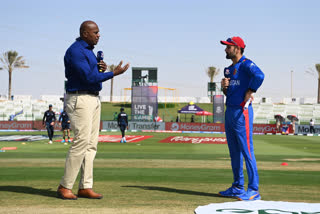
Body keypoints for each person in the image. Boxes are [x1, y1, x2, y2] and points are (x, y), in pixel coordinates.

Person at [57, 20, 129, 200]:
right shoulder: (75, 51)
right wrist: (113, 73)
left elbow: (93, 75)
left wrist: (101, 69)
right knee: (81, 142)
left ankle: (85, 186)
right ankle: (65, 186)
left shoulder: (88, 52)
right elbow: (89, 77)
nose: (98, 35)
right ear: (84, 33)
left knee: (91, 145)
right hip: (80, 98)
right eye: (95, 32)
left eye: (98, 32)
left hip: (93, 98)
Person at [219, 37, 265, 201]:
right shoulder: (228, 70)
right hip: (230, 110)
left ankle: (253, 190)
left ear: (237, 48)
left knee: (247, 151)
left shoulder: (246, 64)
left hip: (242, 112)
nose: (225, 50)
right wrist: (224, 88)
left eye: (228, 47)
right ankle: (238, 187)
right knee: (234, 152)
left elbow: (260, 75)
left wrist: (251, 90)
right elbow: (229, 93)